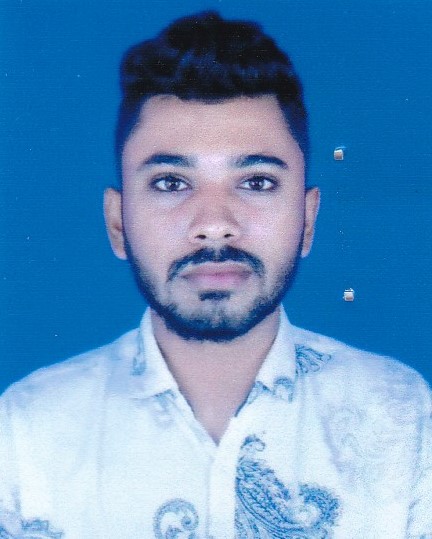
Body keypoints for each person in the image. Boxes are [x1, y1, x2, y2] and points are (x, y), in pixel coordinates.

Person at [0, 11, 430, 539]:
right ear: (117, 223)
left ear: (307, 219)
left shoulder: (404, 419)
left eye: (256, 182)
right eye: (170, 183)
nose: (214, 225)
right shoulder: (25, 432)